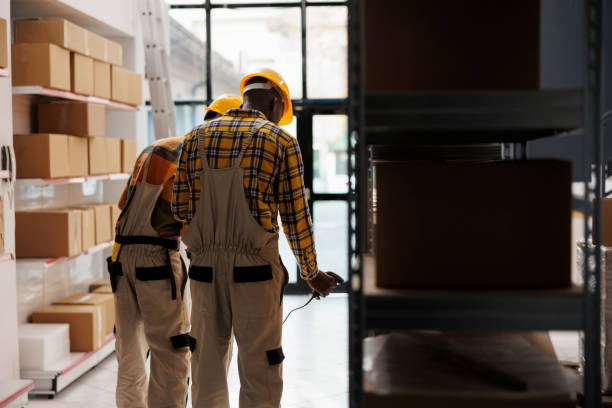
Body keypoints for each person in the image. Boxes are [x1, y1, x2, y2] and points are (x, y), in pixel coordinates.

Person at [172, 67, 338, 408]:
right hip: (255, 274)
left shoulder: (193, 138)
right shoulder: (279, 141)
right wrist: (311, 273)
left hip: (203, 272)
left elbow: (178, 209)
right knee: (261, 368)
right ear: (276, 101)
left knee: (206, 367)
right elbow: (295, 218)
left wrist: (204, 247)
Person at [107, 94, 242, 408]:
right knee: (171, 350)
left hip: (121, 258)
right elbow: (185, 218)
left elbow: (123, 203)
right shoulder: (197, 157)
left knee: (128, 349)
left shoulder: (156, 146)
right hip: (157, 260)